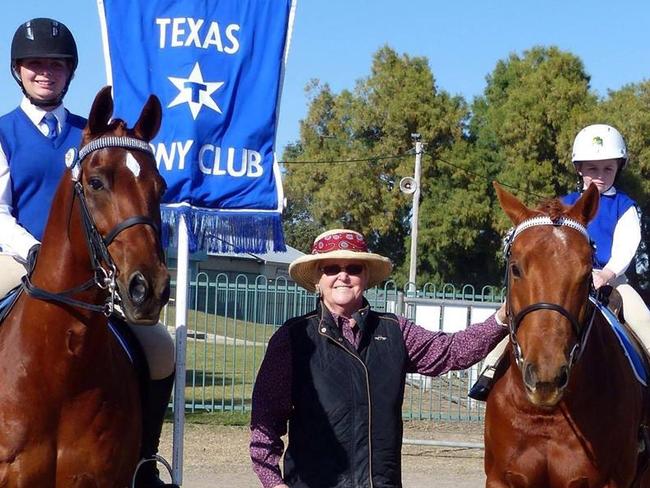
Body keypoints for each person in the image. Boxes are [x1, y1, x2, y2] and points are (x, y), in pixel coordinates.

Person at [0, 18, 177, 488]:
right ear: (18, 70)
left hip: (90, 271)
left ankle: (144, 462)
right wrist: (32, 248)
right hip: (14, 257)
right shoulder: (3, 133)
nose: (45, 72)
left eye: (55, 65)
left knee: (160, 349)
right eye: (35, 64)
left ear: (69, 73)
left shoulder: (96, 138)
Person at [249, 228, 508, 488]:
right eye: (331, 269)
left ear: (366, 276)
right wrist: (274, 483)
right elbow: (265, 418)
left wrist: (502, 318)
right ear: (318, 278)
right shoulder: (293, 337)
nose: (343, 276)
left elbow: (451, 351)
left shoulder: (395, 330)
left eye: (353, 268)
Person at [468, 123, 650, 401]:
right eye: (592, 169)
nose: (599, 176)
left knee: (644, 320)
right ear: (579, 169)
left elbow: (628, 244)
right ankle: (490, 370)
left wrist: (608, 273)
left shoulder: (625, 207)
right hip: (561, 281)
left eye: (607, 169)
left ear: (618, 168)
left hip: (612, 280)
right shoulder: (563, 205)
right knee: (514, 316)